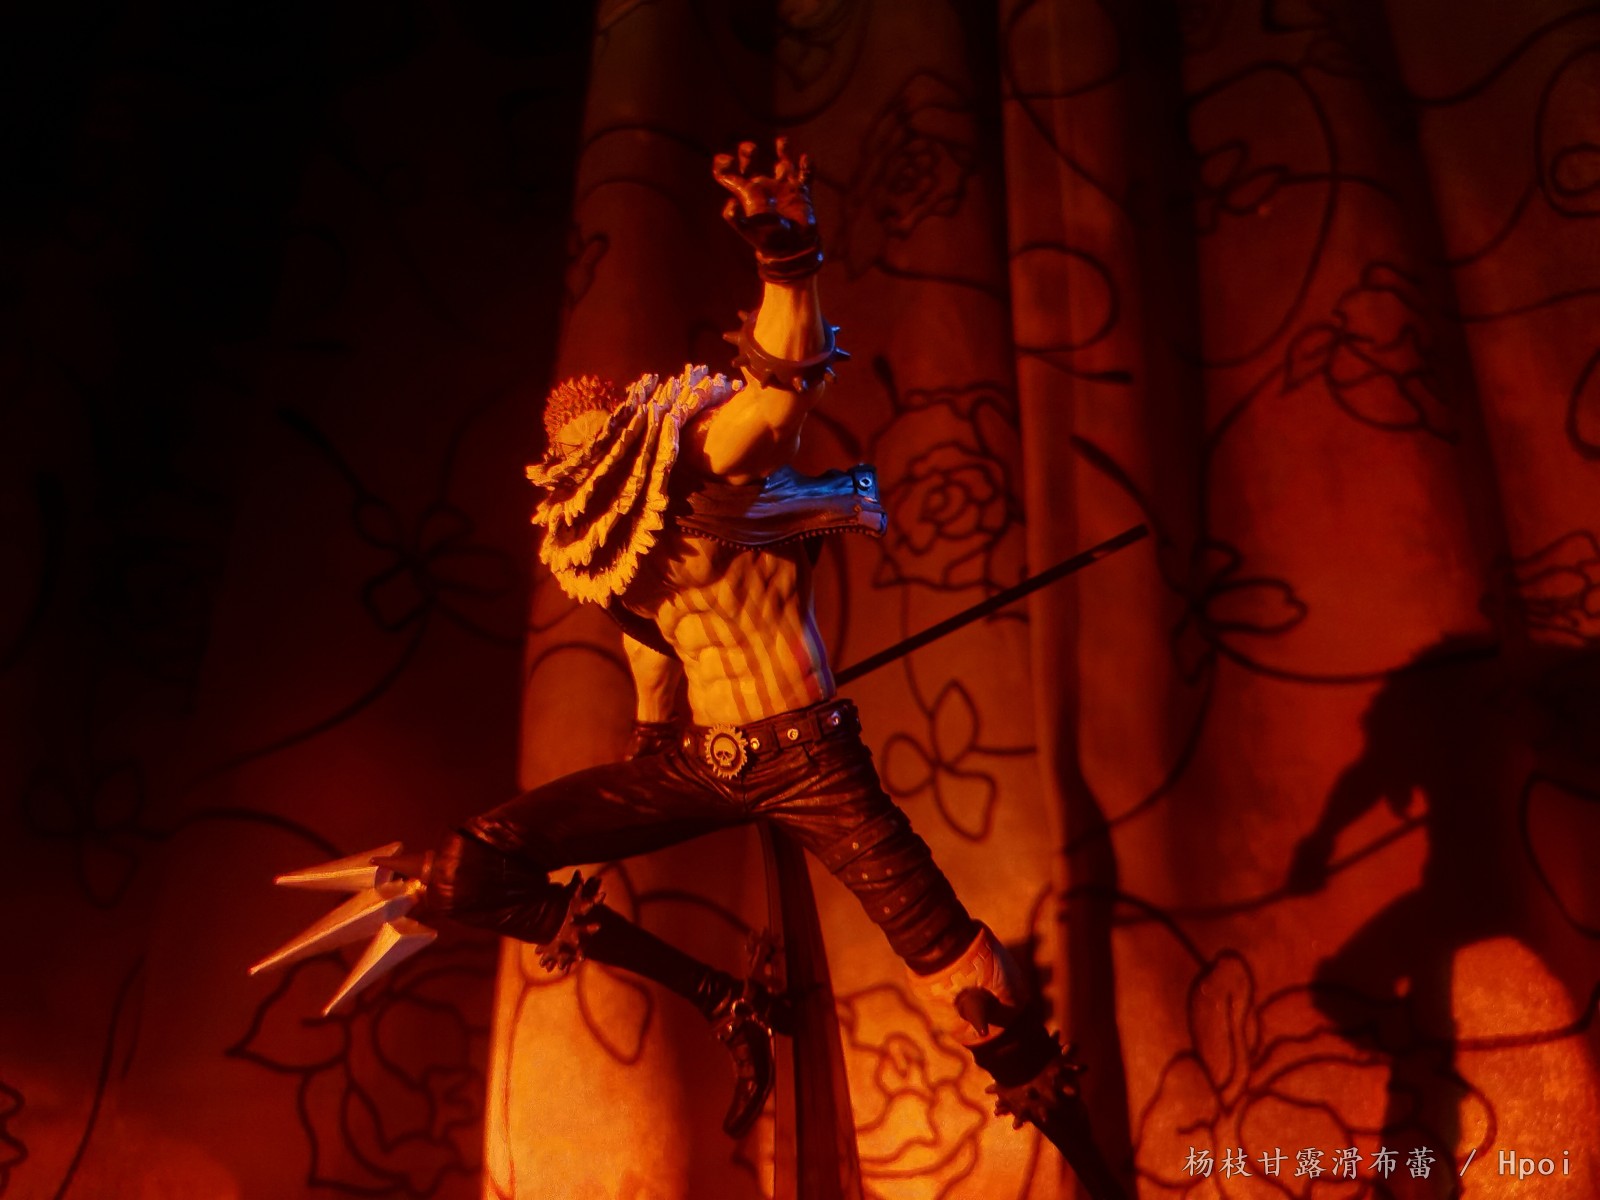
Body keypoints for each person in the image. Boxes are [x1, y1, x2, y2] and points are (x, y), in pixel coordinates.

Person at [254, 142, 1119, 1192]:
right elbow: (654, 660)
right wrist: (641, 767)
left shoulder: (705, 465)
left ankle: (1088, 1161)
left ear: (626, 441)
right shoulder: (612, 543)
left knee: (972, 987)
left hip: (810, 761)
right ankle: (723, 1000)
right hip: (701, 765)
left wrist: (785, 251)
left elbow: (779, 394)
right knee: (467, 867)